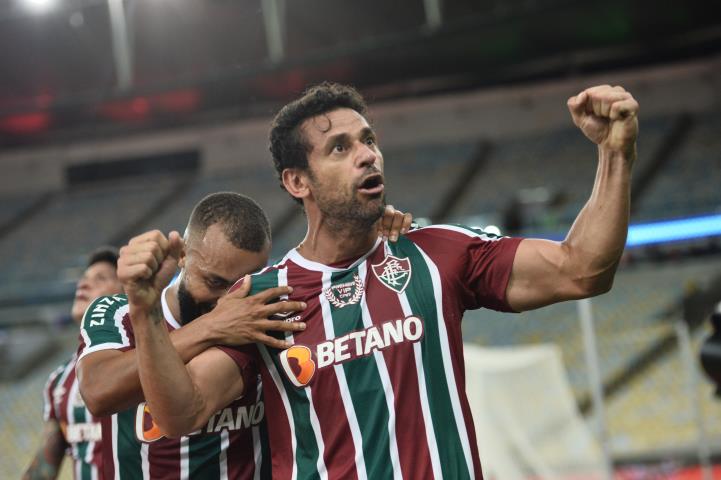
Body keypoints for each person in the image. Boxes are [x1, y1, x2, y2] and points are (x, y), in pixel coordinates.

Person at [125, 82, 638, 479]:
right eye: (340, 148)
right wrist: (146, 313)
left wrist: (614, 153)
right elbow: (181, 413)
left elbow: (583, 269)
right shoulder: (265, 297)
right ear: (297, 181)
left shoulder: (438, 252)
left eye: (369, 140)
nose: (368, 155)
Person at [75, 191, 412, 479]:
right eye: (215, 282)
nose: (229, 300)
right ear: (182, 256)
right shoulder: (119, 312)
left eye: (242, 284)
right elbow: (99, 391)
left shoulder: (265, 317)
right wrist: (210, 327)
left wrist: (374, 234)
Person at [23, 247, 124, 480]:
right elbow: (42, 471)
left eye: (100, 278)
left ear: (127, 292)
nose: (83, 284)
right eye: (84, 279)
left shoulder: (149, 362)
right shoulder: (58, 382)